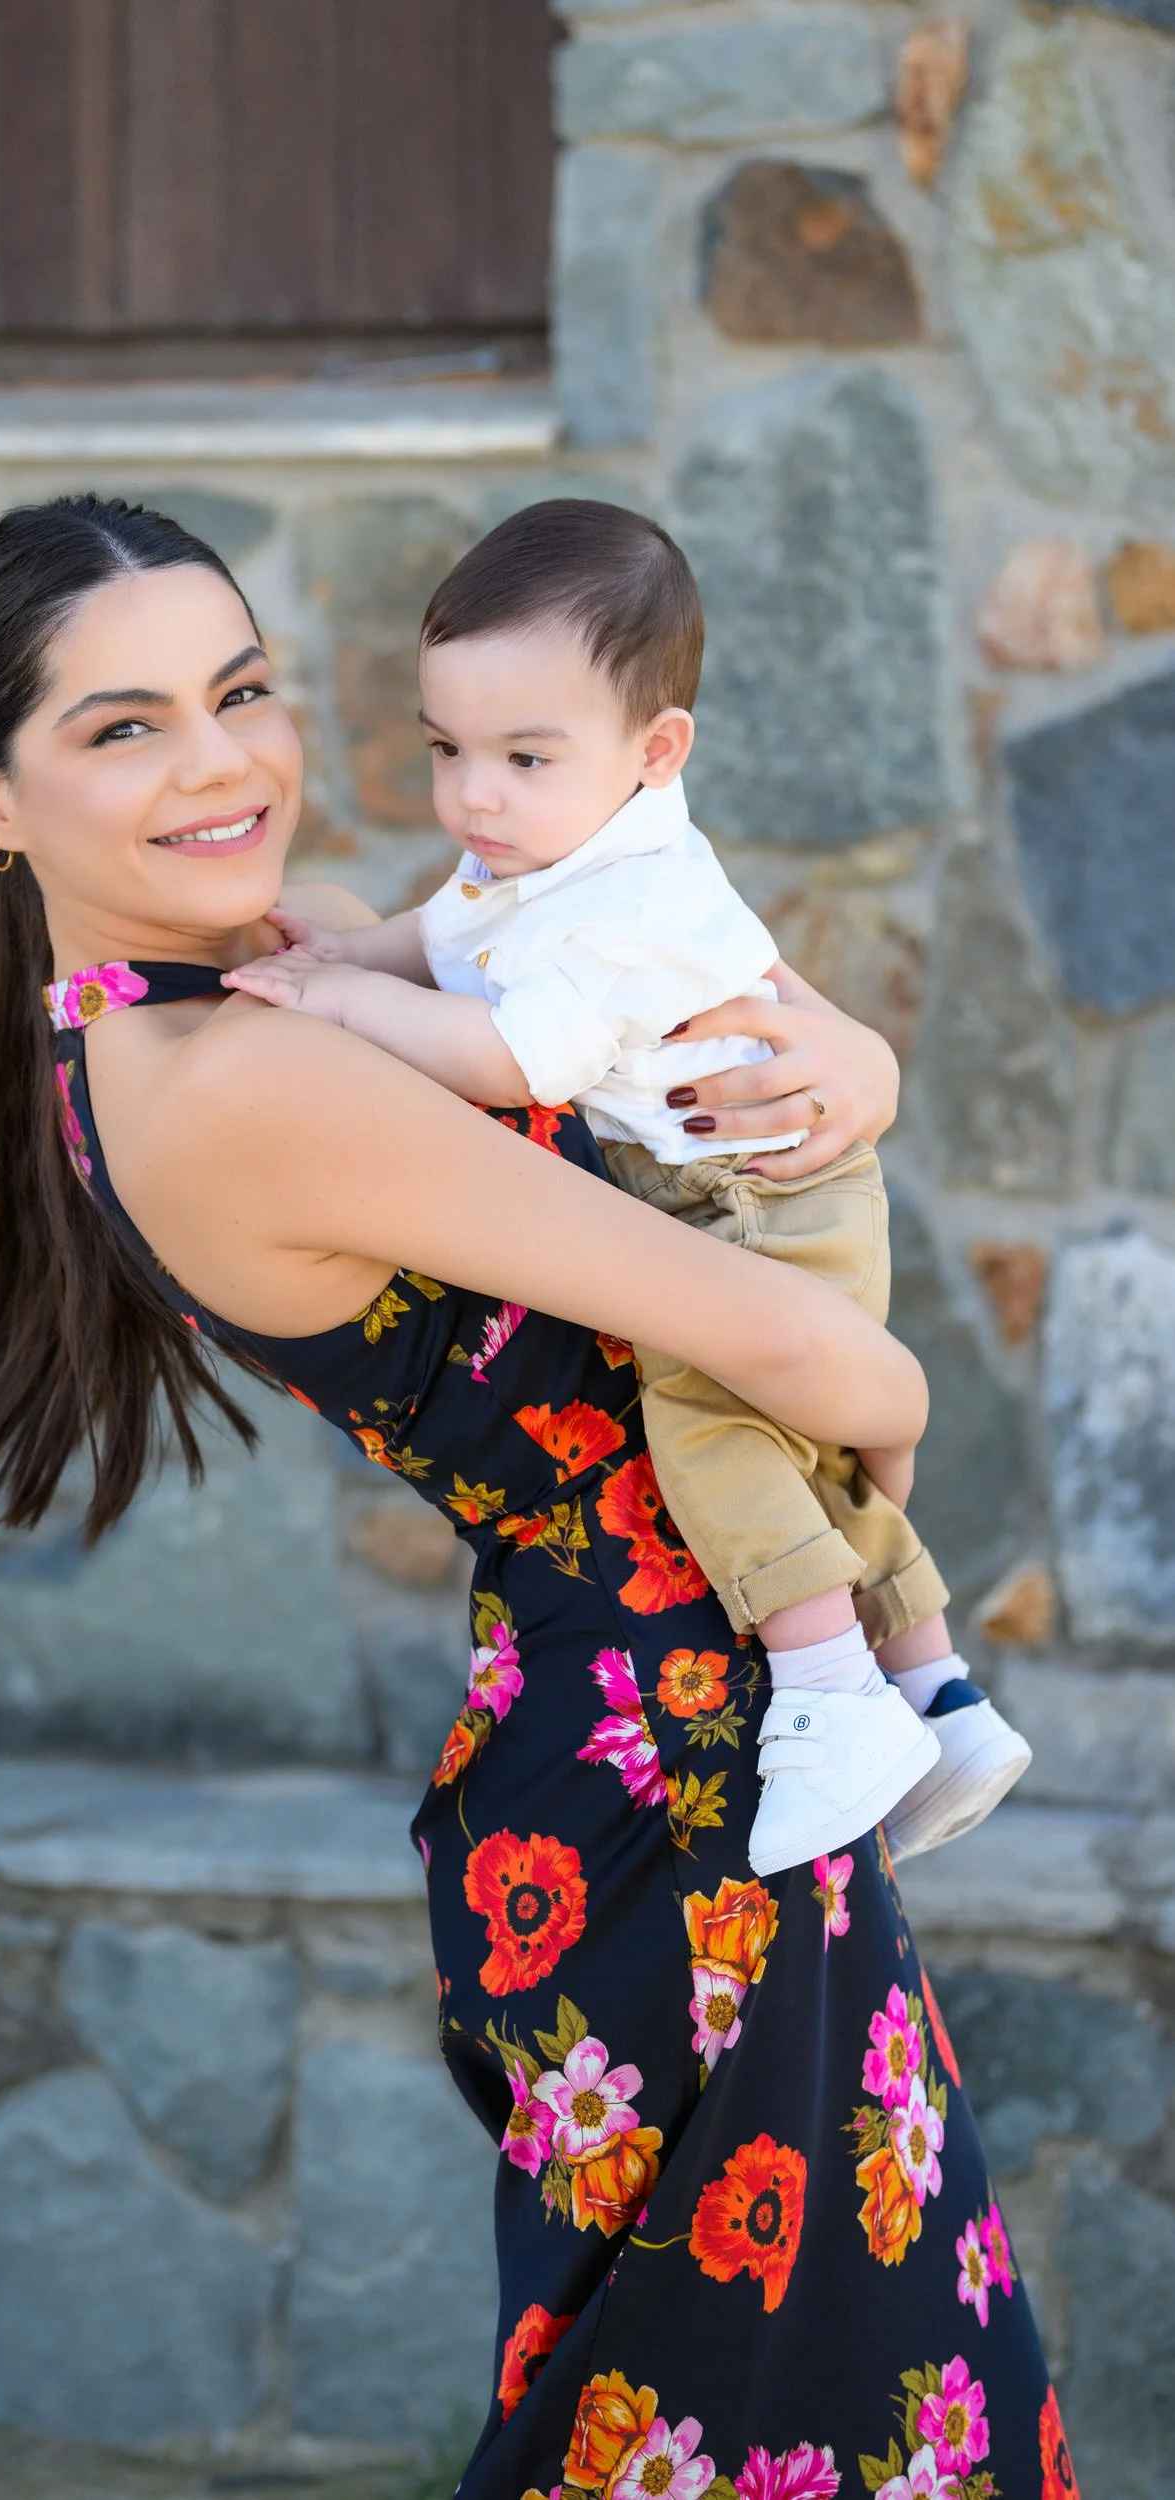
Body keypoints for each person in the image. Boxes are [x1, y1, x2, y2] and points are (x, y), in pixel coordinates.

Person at [0, 495, 1063, 2497]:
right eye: (122, 727)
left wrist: (835, 1061)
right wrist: (890, 1379)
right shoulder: (254, 1077)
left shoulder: (238, 993)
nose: (223, 758)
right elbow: (793, 1349)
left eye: (238, 689)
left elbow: (650, 1004)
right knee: (778, 2420)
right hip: (667, 1794)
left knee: (787, 2397)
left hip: (658, 1753)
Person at [222, 499, 1031, 1882]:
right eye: (446, 750)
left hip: (760, 1194)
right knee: (799, 1455)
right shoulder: (543, 848)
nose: (474, 795)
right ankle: (936, 1696)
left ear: (653, 753)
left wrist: (349, 1003)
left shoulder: (628, 906)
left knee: (713, 1426)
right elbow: (449, 932)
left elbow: (497, 1052)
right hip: (707, 1182)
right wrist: (359, 944)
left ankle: (832, 1694)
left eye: (521, 756)